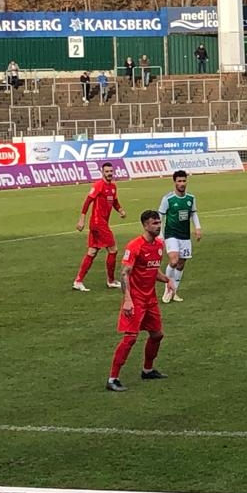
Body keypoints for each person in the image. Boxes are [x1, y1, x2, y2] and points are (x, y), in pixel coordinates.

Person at [106, 210, 178, 392]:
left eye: (159, 223)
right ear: (145, 225)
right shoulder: (135, 246)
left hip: (150, 299)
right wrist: (127, 300)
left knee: (157, 335)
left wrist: (167, 279)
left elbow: (152, 270)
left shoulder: (159, 245)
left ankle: (147, 370)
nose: (158, 226)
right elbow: (124, 273)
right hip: (135, 299)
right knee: (130, 338)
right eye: (154, 223)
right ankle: (113, 378)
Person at [73, 162, 127, 291]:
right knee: (113, 250)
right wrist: (82, 219)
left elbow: (114, 201)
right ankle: (111, 280)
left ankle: (78, 281)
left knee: (92, 251)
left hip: (100, 223)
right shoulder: (98, 185)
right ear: (102, 172)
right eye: (107, 171)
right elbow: (88, 201)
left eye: (111, 171)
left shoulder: (113, 186)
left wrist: (120, 210)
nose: (109, 173)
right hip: (98, 223)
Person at [158, 170, 202, 304]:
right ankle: (168, 288)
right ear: (175, 182)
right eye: (179, 181)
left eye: (184, 181)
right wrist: (160, 235)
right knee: (173, 261)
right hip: (171, 234)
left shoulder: (191, 198)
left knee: (181, 264)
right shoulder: (168, 199)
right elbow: (160, 216)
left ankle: (174, 291)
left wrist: (197, 227)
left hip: (185, 236)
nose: (182, 183)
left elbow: (193, 213)